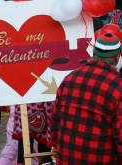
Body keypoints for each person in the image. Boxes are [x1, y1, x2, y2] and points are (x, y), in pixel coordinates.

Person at [51, 33, 122, 164]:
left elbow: (55, 125)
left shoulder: (69, 79)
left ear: (94, 54)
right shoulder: (117, 88)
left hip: (66, 159)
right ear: (117, 59)